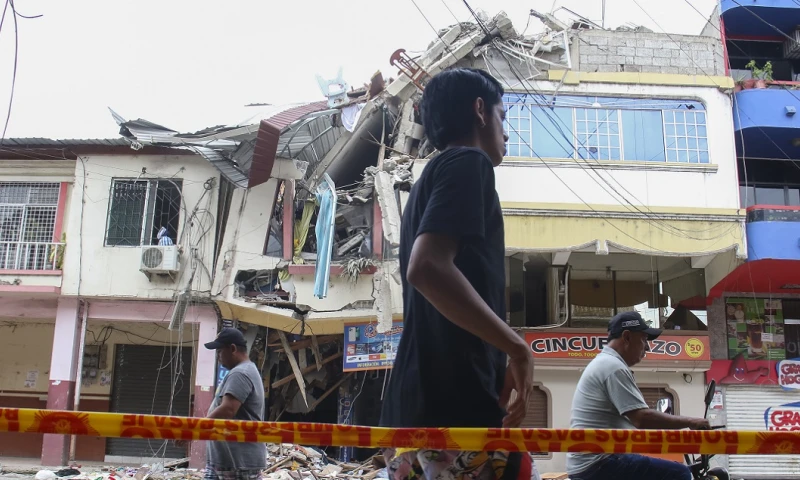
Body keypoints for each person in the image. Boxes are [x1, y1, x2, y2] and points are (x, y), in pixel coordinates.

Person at [378, 67, 539, 480]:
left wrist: (498, 352)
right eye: (504, 118)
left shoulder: (428, 181)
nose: (507, 134)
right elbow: (427, 268)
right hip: (452, 410)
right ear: (480, 111)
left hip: (417, 410)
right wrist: (517, 348)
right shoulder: (470, 162)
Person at [566, 311, 711, 480]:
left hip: (594, 461)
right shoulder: (613, 367)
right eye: (643, 339)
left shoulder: (606, 363)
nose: (647, 347)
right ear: (627, 337)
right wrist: (691, 422)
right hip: (600, 462)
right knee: (679, 473)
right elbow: (641, 418)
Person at [203, 328, 266, 480]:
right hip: (225, 460)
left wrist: (194, 429)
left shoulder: (240, 373)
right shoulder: (244, 370)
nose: (218, 356)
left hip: (236, 462)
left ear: (232, 349)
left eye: (219, 351)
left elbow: (228, 409)